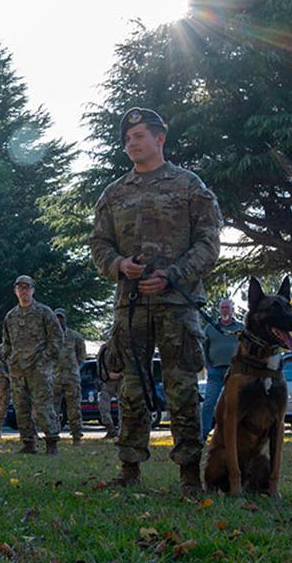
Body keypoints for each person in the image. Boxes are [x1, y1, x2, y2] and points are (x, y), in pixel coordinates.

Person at [90, 107, 222, 495]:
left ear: (159, 138)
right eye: (127, 139)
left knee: (181, 388)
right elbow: (99, 244)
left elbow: (209, 243)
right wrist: (120, 265)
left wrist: (173, 274)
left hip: (178, 305)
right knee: (131, 388)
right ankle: (129, 469)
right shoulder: (114, 193)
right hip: (130, 307)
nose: (131, 143)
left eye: (139, 136)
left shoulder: (188, 186)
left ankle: (188, 476)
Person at [1, 275, 63, 455]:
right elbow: (6, 342)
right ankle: (28, 443)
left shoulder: (44, 312)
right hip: (18, 369)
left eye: (27, 288)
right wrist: (9, 358)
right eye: (20, 288)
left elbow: (57, 338)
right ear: (15, 291)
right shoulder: (11, 316)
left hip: (39, 369)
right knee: (21, 407)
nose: (24, 291)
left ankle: (52, 442)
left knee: (43, 406)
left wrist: (45, 359)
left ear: (33, 290)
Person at [201, 298, 243, 441]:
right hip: (215, 371)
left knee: (236, 404)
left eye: (227, 307)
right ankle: (203, 434)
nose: (225, 310)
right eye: (223, 307)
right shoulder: (210, 328)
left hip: (235, 372)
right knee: (208, 403)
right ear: (219, 309)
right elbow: (203, 348)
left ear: (233, 309)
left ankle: (236, 433)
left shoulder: (240, 328)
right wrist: (208, 365)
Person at [52, 308, 87, 445]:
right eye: (56, 318)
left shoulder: (75, 336)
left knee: (74, 409)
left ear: (65, 319)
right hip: (54, 379)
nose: (59, 320)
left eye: (61, 318)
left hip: (71, 378)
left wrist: (73, 368)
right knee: (53, 409)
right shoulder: (49, 336)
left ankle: (76, 436)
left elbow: (81, 355)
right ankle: (53, 436)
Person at [96, 342, 123, 440]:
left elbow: (131, 364)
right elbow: (99, 363)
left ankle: (122, 432)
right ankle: (110, 429)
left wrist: (121, 375)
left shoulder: (125, 346)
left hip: (122, 380)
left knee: (124, 405)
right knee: (103, 406)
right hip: (107, 381)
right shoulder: (105, 348)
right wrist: (107, 374)